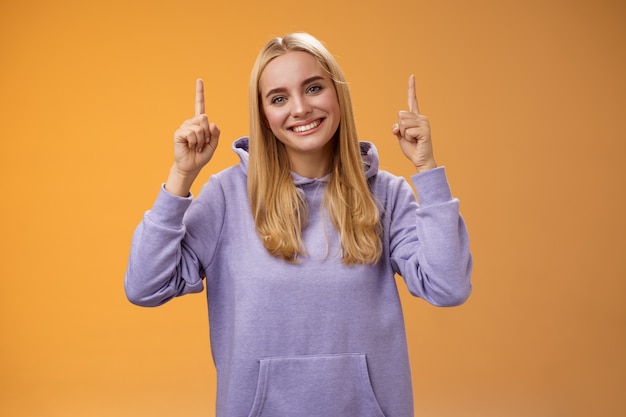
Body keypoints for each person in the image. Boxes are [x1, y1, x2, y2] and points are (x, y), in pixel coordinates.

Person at [125, 32, 472, 417]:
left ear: (337, 94)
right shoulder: (226, 196)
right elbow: (145, 286)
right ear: (264, 117)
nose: (301, 108)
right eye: (279, 98)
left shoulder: (386, 194)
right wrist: (180, 175)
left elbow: (448, 287)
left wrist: (427, 170)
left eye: (314, 87)